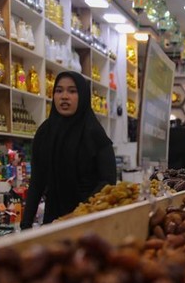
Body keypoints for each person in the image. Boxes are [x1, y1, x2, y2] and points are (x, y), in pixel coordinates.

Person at [21, 71, 117, 229]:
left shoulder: (94, 133)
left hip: (89, 223)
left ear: (83, 96)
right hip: (53, 223)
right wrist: (25, 225)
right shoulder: (45, 133)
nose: (64, 97)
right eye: (59, 91)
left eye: (72, 91)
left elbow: (108, 181)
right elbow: (37, 182)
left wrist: (80, 213)